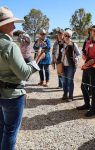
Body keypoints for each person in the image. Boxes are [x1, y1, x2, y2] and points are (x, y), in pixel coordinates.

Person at [0, 7, 41, 150]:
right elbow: (24, 74)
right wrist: (35, 63)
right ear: (3, 25)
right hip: (12, 95)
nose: (14, 26)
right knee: (10, 131)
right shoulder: (10, 46)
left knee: (1, 128)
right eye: (11, 23)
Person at [61, 29, 80, 101]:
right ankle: (65, 94)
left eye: (68, 36)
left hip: (71, 66)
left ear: (70, 37)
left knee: (69, 81)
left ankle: (70, 96)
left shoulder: (73, 44)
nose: (66, 37)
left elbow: (78, 54)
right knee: (64, 81)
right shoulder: (61, 44)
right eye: (65, 35)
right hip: (63, 65)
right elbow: (58, 54)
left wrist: (76, 59)